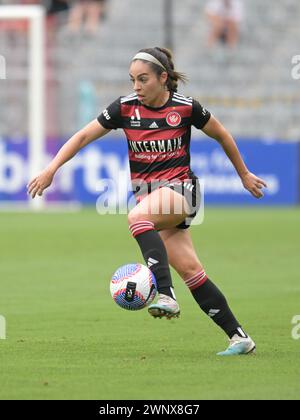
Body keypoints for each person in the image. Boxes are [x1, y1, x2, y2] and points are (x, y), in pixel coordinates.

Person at [27, 47, 267, 356]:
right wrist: (51, 169)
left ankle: (165, 294)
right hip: (150, 196)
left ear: (163, 78)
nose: (136, 87)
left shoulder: (185, 108)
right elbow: (82, 136)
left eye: (143, 79)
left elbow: (222, 134)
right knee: (192, 271)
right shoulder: (125, 108)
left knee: (137, 218)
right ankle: (239, 337)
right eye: (132, 80)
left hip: (181, 190)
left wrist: (244, 174)